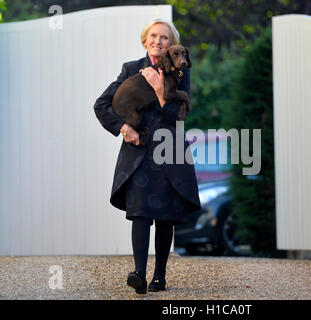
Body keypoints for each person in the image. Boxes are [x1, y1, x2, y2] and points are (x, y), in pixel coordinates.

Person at [93, 19, 201, 294]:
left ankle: (160, 277)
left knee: (165, 215)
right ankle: (139, 274)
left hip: (170, 151)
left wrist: (157, 90)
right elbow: (102, 104)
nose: (158, 41)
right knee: (140, 213)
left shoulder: (180, 69)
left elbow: (178, 115)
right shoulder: (131, 69)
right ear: (145, 40)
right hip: (138, 152)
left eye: (165, 37)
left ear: (171, 44)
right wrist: (122, 128)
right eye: (153, 36)